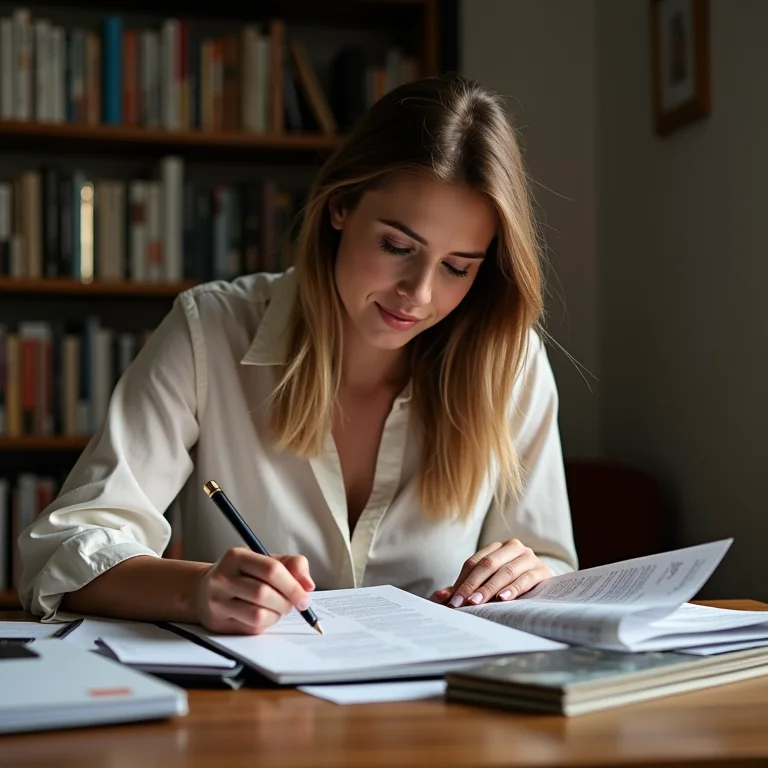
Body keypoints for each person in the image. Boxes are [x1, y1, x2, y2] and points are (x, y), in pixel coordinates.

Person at [18, 73, 578, 635]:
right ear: (339, 206)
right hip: (247, 688)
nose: (420, 293)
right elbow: (60, 551)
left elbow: (550, 569)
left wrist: (524, 575)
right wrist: (196, 590)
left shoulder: (510, 364)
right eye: (396, 246)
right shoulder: (211, 330)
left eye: (457, 267)